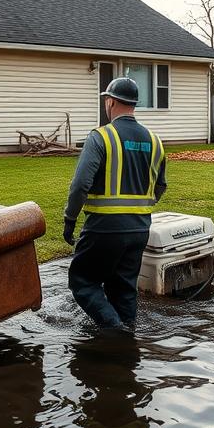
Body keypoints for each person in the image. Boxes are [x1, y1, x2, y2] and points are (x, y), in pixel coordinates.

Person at [63, 77, 167, 330]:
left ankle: (114, 331)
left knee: (83, 282)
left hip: (104, 226)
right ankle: (127, 339)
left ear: (110, 102)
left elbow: (80, 186)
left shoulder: (101, 137)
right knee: (124, 288)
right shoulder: (155, 141)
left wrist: (70, 220)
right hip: (140, 227)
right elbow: (160, 186)